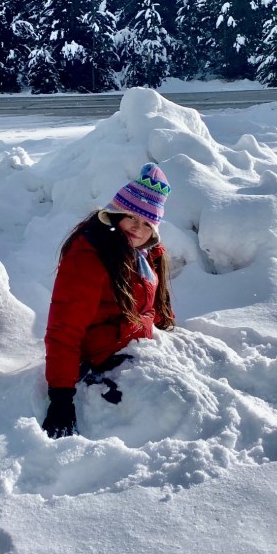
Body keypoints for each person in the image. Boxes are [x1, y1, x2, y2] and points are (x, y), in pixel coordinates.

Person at [41, 162, 175, 439]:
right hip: (102, 357)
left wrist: (163, 324)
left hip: (134, 346)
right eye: (132, 218)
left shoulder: (147, 252)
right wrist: (61, 398)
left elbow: (154, 299)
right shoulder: (89, 256)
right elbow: (65, 327)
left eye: (147, 223)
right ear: (115, 214)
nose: (138, 229)